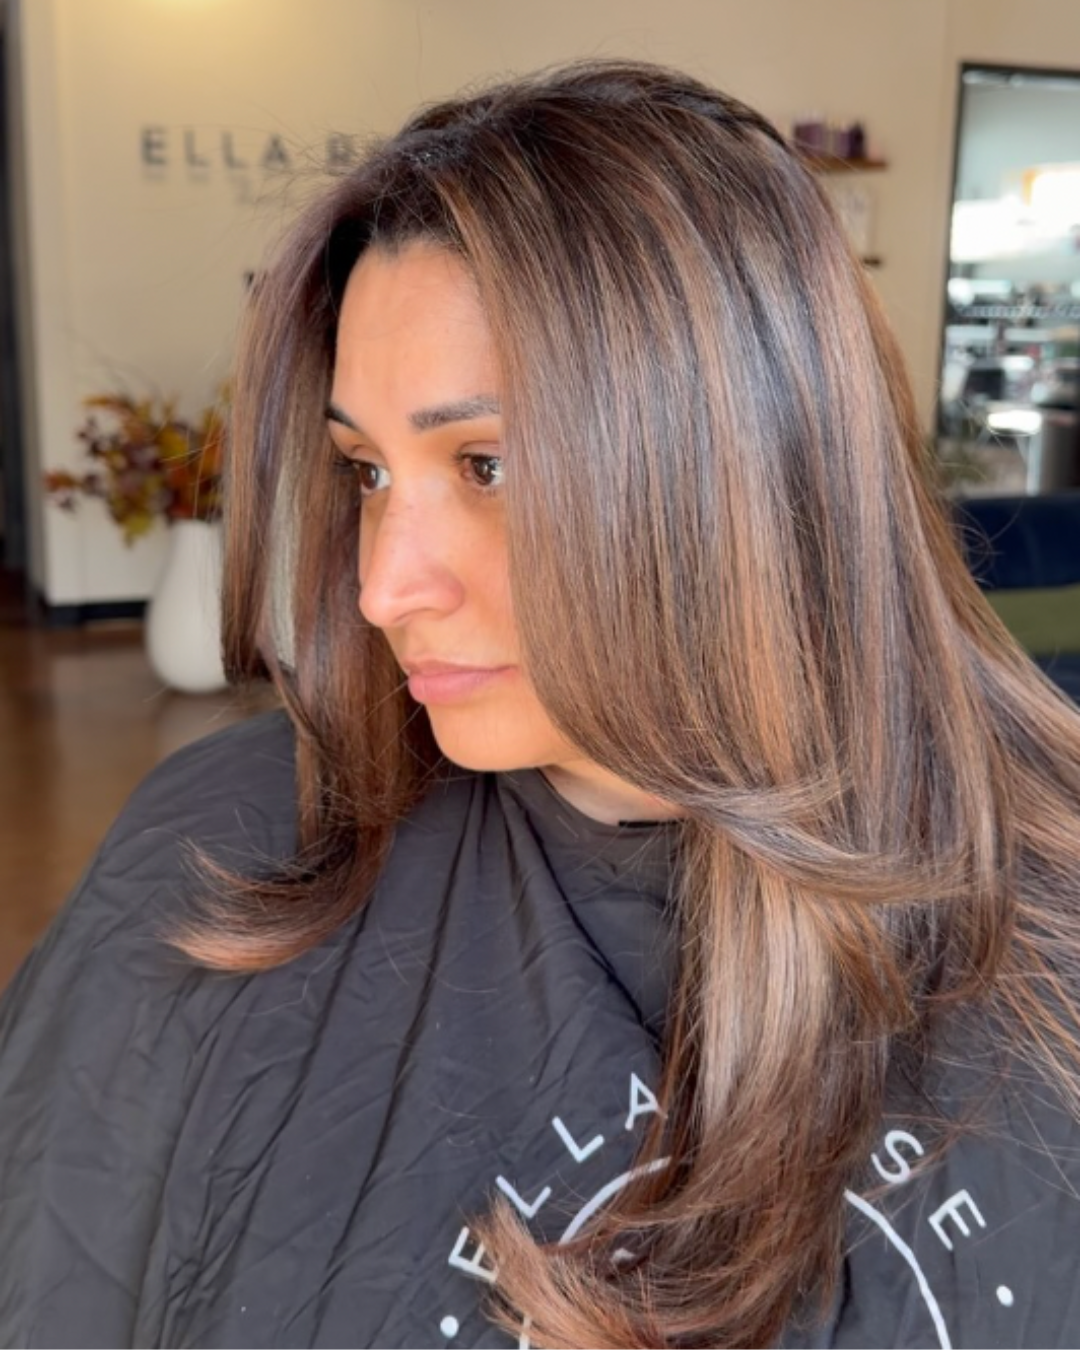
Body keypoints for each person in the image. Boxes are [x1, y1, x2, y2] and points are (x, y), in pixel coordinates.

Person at [2, 59, 1080, 1350]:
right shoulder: (219, 851)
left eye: (488, 463)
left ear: (737, 460)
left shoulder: (1042, 890)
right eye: (366, 471)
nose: (384, 585)